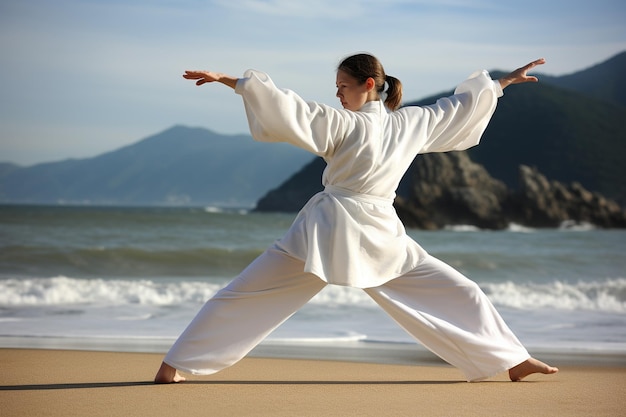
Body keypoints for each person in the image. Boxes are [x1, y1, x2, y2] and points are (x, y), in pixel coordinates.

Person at [155, 53, 558, 384]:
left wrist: (502, 84)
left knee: (462, 290)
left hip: (374, 231)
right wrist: (230, 80)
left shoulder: (408, 123)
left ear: (369, 85)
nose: (338, 95)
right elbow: (289, 105)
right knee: (248, 292)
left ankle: (512, 359)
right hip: (330, 228)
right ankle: (174, 365)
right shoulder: (346, 122)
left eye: (343, 87)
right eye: (336, 90)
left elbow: (457, 109)